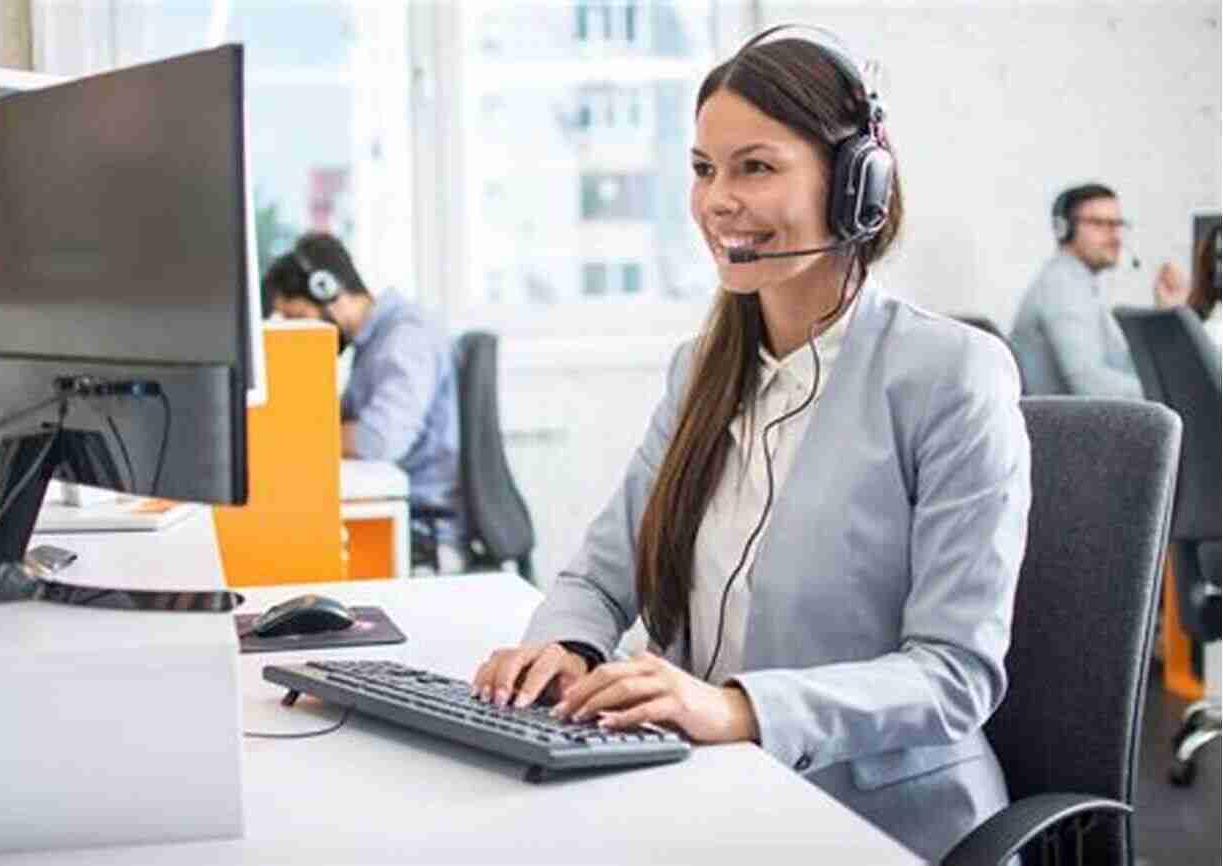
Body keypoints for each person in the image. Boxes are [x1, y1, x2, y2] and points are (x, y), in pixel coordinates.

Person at [471, 24, 1030, 863]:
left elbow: (956, 673)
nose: (716, 201)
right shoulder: (703, 370)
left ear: (856, 188)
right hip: (708, 793)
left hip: (883, 820)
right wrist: (567, 645)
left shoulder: (951, 374)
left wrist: (737, 707)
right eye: (703, 170)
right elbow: (600, 569)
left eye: (755, 167)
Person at [263, 233, 465, 572]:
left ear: (326, 288)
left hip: (425, 533)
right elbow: (341, 422)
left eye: (298, 317)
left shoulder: (406, 337)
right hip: (404, 515)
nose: (298, 331)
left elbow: (378, 438)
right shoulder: (372, 345)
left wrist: (296, 441)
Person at [1010, 184, 1145, 396]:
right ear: (1063, 229)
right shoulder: (1062, 287)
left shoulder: (1078, 282)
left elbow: (1118, 364)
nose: (1115, 236)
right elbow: (1091, 385)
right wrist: (1175, 392)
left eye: (1117, 224)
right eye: (1100, 224)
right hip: (1067, 425)